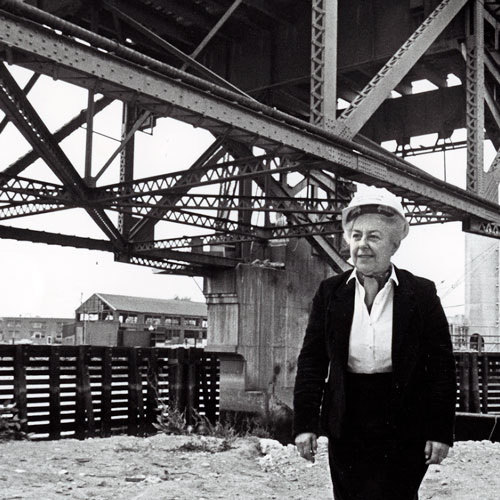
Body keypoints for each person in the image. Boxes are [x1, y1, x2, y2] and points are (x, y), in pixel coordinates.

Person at [293, 187, 456, 500]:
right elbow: (312, 361)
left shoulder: (421, 294)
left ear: (394, 244)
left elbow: (440, 368)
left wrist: (439, 432)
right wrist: (305, 424)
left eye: (374, 237)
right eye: (356, 236)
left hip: (404, 420)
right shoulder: (330, 293)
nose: (362, 245)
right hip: (347, 418)